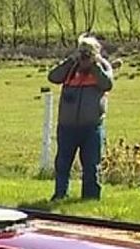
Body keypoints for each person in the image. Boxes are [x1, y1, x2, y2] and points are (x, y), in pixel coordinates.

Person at [48, 34, 114, 201]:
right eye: (82, 52)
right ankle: (60, 194)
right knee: (62, 164)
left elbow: (107, 84)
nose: (84, 56)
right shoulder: (71, 68)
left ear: (96, 52)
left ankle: (90, 198)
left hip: (91, 126)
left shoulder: (102, 66)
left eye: (88, 52)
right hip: (67, 126)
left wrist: (94, 65)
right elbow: (53, 77)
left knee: (91, 165)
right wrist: (71, 61)